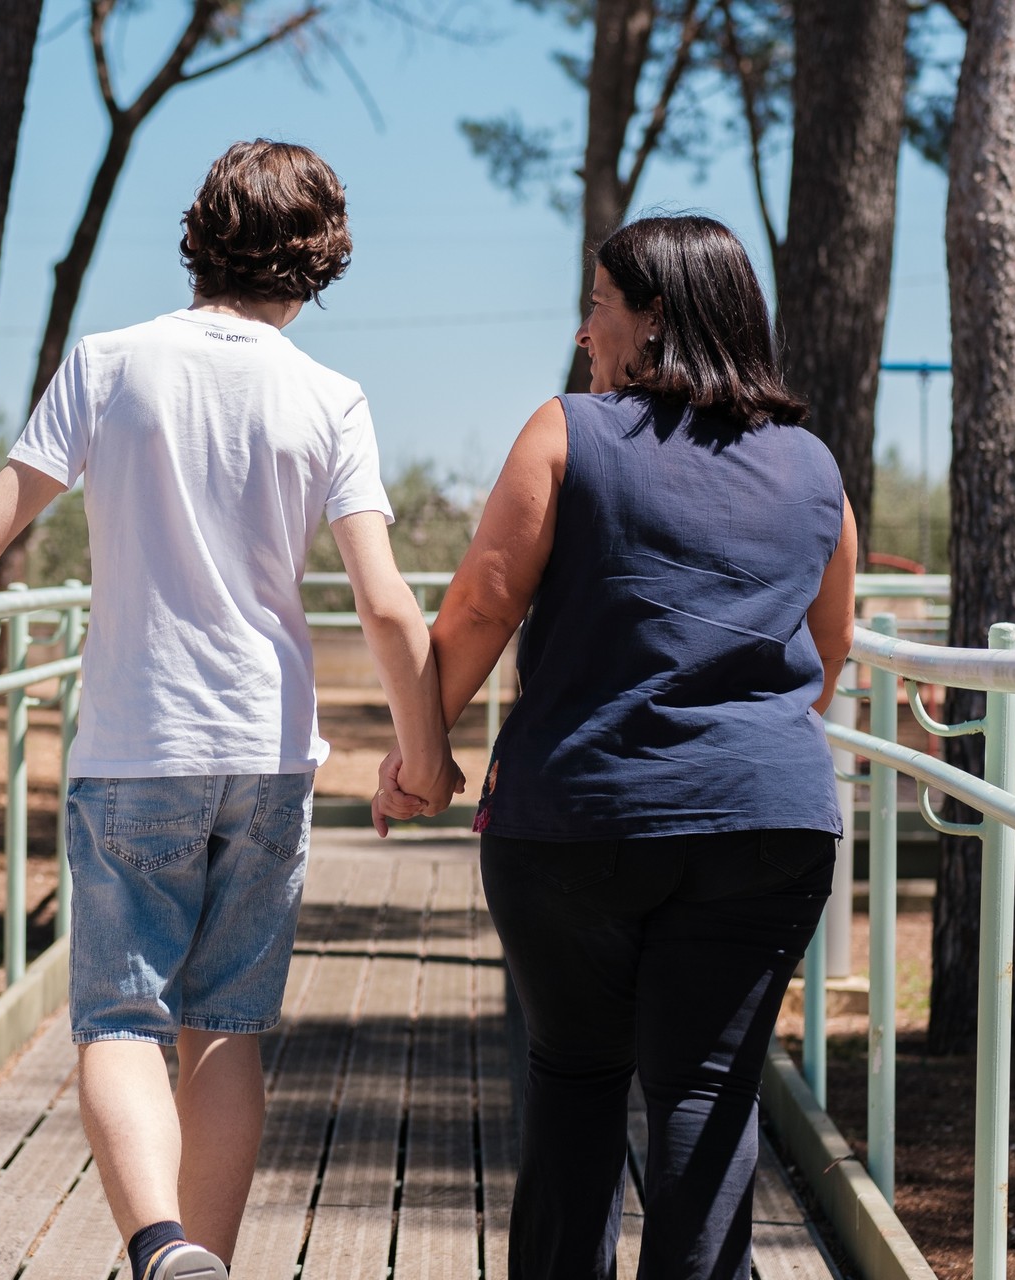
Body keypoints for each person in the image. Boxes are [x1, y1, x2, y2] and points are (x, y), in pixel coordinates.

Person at [0, 139, 461, 1280]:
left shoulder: (110, 363)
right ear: (322, 259)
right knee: (226, 1027)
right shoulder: (330, 397)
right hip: (267, 750)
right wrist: (421, 752)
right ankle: (208, 1266)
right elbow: (390, 609)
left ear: (198, 234)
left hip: (136, 746)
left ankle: (158, 1245)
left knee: (119, 1020)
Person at [378, 214, 857, 1279]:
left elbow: (477, 610)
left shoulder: (566, 433)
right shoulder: (815, 466)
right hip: (765, 822)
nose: (584, 329)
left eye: (598, 304)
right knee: (706, 1092)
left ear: (653, 320)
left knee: (577, 1075)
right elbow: (830, 652)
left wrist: (420, 760)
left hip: (575, 823)